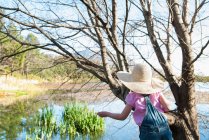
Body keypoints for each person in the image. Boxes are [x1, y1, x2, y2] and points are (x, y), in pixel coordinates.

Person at [97, 63, 173, 140]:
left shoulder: (132, 96)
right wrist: (162, 113)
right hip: (165, 128)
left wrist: (107, 114)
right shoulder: (157, 92)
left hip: (148, 133)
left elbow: (122, 116)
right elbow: (168, 106)